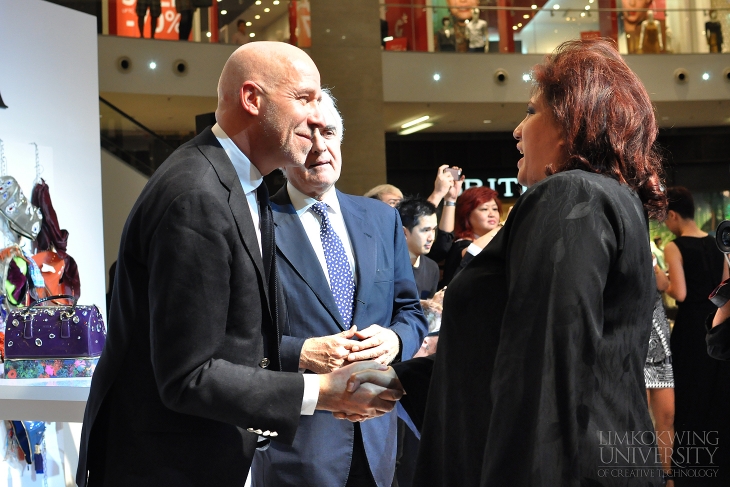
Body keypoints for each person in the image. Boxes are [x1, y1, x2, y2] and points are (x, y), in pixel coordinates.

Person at [346, 38, 668, 486]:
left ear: (571, 122)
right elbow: (518, 347)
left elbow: (545, 370)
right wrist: (401, 379)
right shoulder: (609, 199)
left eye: (532, 112)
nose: (518, 130)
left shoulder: (570, 196)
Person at [76, 42, 399, 487]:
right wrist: (320, 392)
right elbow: (188, 375)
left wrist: (307, 356)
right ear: (252, 99)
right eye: (304, 98)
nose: (317, 114)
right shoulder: (198, 196)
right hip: (164, 466)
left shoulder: (244, 186)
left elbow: (232, 337)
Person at [251, 91, 427, 487]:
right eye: (304, 135)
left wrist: (396, 340)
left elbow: (410, 311)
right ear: (281, 151)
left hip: (379, 437)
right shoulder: (257, 224)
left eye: (329, 132)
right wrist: (302, 351)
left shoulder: (381, 219)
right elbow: (238, 336)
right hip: (296, 448)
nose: (320, 146)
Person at [663, 186, 730, 485]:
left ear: (673, 215)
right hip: (714, 322)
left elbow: (680, 291)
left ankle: (688, 469)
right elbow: (724, 288)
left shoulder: (674, 246)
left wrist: (659, 281)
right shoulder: (718, 243)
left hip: (689, 328)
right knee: (712, 393)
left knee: (688, 396)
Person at [646, 256, 674, 483]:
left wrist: (653, 263)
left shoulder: (646, 250)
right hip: (631, 344)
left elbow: (664, 285)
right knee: (638, 417)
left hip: (659, 344)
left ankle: (667, 477)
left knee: (666, 415)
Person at [440, 186, 501, 287]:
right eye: (484, 209)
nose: (492, 214)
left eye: (495, 209)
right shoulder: (460, 245)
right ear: (467, 214)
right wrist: (502, 226)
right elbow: (472, 253)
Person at [398, 197, 440, 300]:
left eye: (433, 230)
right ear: (404, 232)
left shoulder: (432, 268)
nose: (431, 238)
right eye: (425, 230)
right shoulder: (388, 267)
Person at [425, 165, 464, 263]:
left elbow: (442, 248)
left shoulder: (429, 264)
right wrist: (437, 193)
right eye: (392, 202)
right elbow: (417, 223)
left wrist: (450, 199)